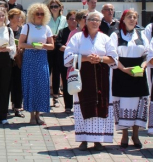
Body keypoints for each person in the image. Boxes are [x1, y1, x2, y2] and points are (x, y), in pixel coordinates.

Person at [64, 11, 118, 151]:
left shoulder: (105, 38)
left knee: (101, 105)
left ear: (100, 23)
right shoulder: (77, 37)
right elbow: (68, 57)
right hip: (84, 76)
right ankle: (83, 139)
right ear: (86, 21)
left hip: (102, 77)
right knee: (83, 106)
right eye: (91, 19)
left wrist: (99, 59)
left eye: (97, 20)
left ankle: (98, 140)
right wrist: (87, 58)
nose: (94, 22)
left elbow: (113, 58)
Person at [110, 10, 149, 148]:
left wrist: (143, 67)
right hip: (122, 72)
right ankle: (125, 135)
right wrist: (123, 69)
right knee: (122, 104)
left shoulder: (141, 35)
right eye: (129, 17)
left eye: (134, 17)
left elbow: (148, 54)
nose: (132, 19)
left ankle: (136, 135)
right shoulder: (116, 35)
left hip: (138, 73)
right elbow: (112, 55)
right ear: (123, 19)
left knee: (139, 103)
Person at [18, 3, 54, 125]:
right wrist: (33, 45)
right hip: (30, 58)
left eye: (42, 14)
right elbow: (21, 44)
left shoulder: (46, 28)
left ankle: (39, 114)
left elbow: (52, 46)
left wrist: (42, 46)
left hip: (42, 57)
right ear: (32, 14)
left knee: (42, 85)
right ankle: (32, 115)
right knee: (31, 85)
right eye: (37, 14)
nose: (39, 16)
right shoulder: (27, 27)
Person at [54, 10, 78, 114]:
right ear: (67, 20)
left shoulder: (80, 32)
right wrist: (69, 49)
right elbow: (58, 44)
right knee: (66, 83)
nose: (73, 21)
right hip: (65, 62)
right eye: (71, 19)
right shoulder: (62, 31)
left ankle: (78, 105)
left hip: (77, 61)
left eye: (75, 19)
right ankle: (68, 106)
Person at [47, 0, 67, 107]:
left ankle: (55, 96)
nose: (54, 8)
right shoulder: (47, 19)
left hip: (59, 46)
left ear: (60, 7)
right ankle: (45, 96)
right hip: (49, 47)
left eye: (56, 6)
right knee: (47, 71)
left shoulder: (64, 19)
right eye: (52, 7)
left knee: (57, 72)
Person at [7, 8, 25, 117]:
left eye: (20, 16)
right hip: (7, 59)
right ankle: (4, 106)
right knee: (7, 84)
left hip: (18, 60)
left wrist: (21, 48)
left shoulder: (22, 30)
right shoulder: (5, 29)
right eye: (17, 16)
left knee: (18, 83)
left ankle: (17, 106)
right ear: (11, 18)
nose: (19, 18)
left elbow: (25, 42)